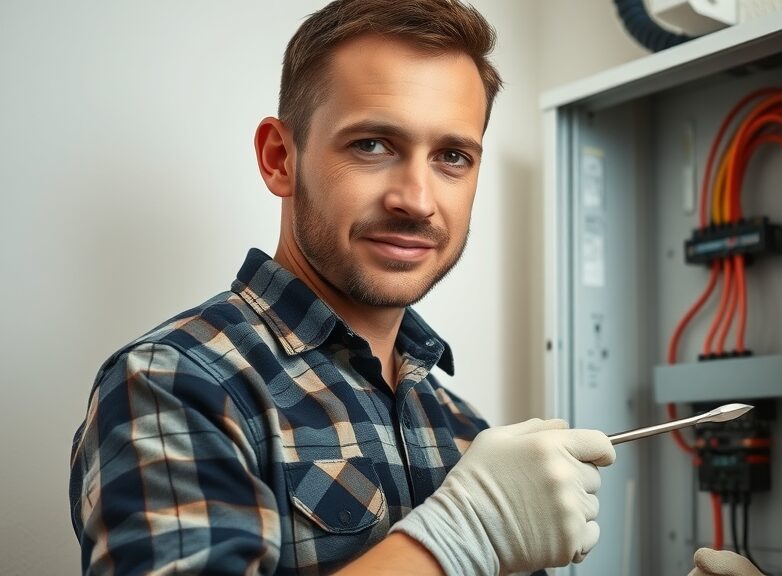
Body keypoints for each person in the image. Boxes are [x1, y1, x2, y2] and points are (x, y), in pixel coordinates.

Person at [68, 1, 615, 574]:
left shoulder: (463, 428)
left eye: (452, 156)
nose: (418, 199)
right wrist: (460, 536)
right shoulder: (174, 385)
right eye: (372, 145)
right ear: (281, 157)